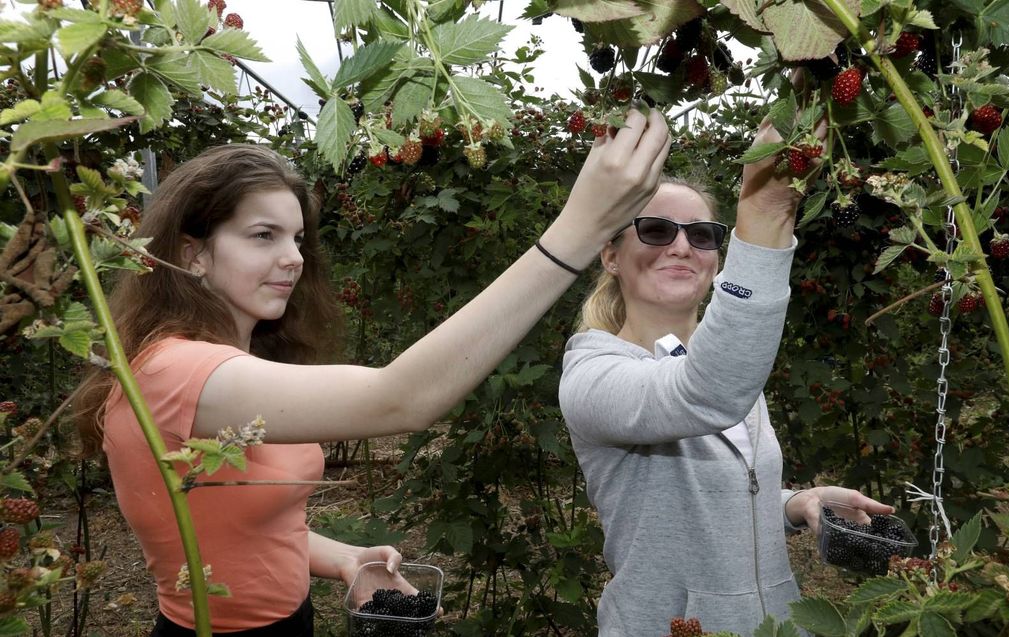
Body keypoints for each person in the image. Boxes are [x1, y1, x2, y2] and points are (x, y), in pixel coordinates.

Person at [74, 107, 671, 636]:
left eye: (297, 238)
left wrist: (343, 560)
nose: (293, 258)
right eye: (263, 236)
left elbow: (234, 526)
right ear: (191, 254)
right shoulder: (176, 370)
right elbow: (400, 398)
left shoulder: (220, 369)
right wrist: (578, 231)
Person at [558, 121, 895, 637]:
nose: (681, 246)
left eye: (701, 235)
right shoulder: (593, 375)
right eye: (655, 230)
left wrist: (794, 503)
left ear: (716, 260)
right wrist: (763, 212)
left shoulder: (723, 358)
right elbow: (705, 391)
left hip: (775, 624)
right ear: (610, 256)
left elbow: (718, 491)